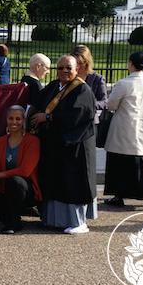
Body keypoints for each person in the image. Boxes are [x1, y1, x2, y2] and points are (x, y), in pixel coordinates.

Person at [31, 55, 97, 234]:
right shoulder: (53, 86)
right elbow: (38, 102)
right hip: (55, 145)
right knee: (54, 183)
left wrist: (49, 117)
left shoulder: (82, 90)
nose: (64, 71)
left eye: (69, 68)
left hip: (75, 145)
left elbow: (78, 115)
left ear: (77, 70)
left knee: (73, 184)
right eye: (61, 68)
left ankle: (78, 222)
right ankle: (55, 220)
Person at [104, 52, 143, 209]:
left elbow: (111, 105)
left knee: (118, 162)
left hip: (123, 126)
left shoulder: (124, 83)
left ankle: (119, 193)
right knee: (140, 161)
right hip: (142, 124)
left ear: (131, 64)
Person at [0, 106, 41, 234]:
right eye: (11, 118)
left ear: (23, 120)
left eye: (18, 119)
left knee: (15, 181)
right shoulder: (0, 142)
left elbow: (25, 171)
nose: (14, 122)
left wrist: (0, 175)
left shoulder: (33, 141)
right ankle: (12, 220)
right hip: (4, 188)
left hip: (25, 190)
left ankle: (12, 223)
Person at [71, 44, 107, 117]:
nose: (77, 66)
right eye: (75, 63)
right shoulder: (69, 76)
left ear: (87, 62)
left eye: (80, 63)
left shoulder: (97, 79)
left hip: (88, 118)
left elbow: (104, 102)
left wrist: (89, 105)